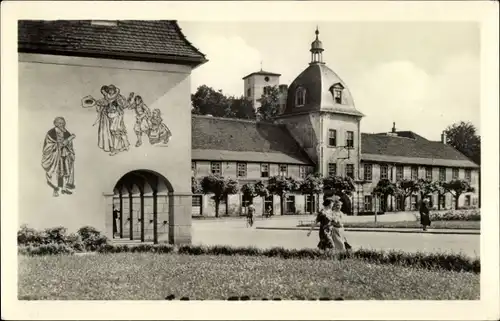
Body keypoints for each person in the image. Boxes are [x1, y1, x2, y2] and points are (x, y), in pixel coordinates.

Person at [41, 117, 76, 197]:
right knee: (56, 172)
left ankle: (64, 188)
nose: (62, 125)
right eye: (60, 123)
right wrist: (62, 143)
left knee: (66, 171)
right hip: (55, 156)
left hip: (65, 154)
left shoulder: (66, 132)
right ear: (55, 123)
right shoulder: (51, 132)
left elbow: (69, 144)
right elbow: (49, 145)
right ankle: (55, 189)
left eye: (63, 123)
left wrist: (68, 141)